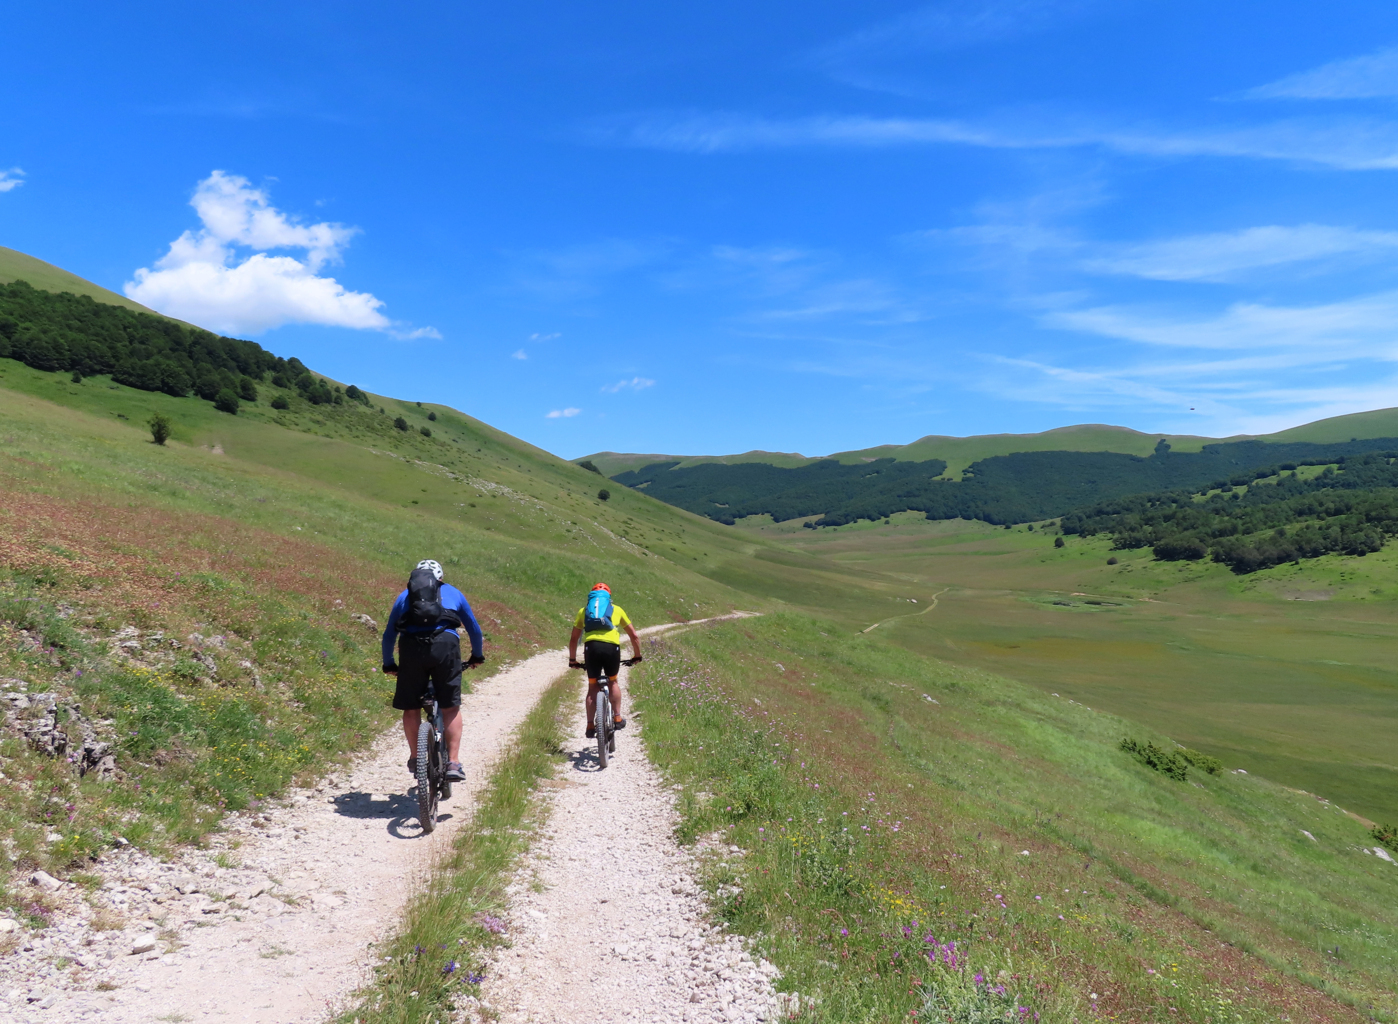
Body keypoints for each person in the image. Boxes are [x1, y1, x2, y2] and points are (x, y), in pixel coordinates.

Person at [382, 559, 484, 783]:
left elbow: (389, 634)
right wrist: (477, 655)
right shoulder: (453, 592)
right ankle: (453, 763)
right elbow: (474, 629)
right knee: (450, 707)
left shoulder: (405, 596)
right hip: (445, 646)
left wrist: (388, 663)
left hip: (411, 648)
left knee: (411, 707)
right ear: (440, 577)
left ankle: (416, 757)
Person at [567, 582, 641, 737]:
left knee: (592, 686)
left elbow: (574, 639)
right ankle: (617, 717)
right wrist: (637, 655)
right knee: (613, 681)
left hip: (591, 648)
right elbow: (634, 635)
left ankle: (589, 726)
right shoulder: (617, 610)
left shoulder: (584, 611)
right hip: (611, 649)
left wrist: (573, 660)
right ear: (609, 597)